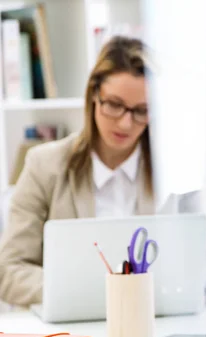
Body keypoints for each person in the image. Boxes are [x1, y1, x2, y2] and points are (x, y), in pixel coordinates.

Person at [0, 36, 153, 306]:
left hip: (153, 323)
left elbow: (203, 268)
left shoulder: (172, 173)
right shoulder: (44, 165)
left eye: (141, 110)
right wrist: (89, 290)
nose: (126, 123)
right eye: (115, 105)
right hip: (74, 327)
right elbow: (10, 272)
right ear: (94, 96)